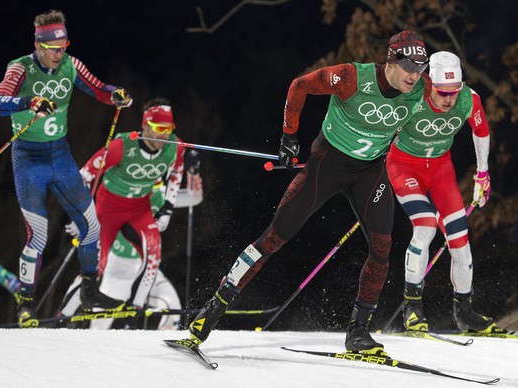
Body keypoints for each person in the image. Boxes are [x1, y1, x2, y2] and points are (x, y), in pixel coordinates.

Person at [178, 30, 432, 355]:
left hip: (370, 171)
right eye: (409, 66)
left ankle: (358, 332)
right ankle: (211, 311)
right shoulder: (352, 77)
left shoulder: (421, 89)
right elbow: (300, 86)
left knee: (382, 249)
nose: (415, 75)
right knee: (274, 237)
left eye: (421, 67)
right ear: (390, 60)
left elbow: (453, 106)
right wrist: (288, 137)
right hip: (327, 164)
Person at [0, 9, 131, 327]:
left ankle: (90, 294)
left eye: (63, 46)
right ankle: (26, 305)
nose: (59, 53)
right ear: (39, 45)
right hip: (29, 161)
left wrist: (115, 95)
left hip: (61, 157)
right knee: (38, 235)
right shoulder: (20, 69)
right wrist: (29, 102)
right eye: (54, 48)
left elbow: (98, 88)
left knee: (92, 226)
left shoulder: (71, 65)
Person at [386, 51, 494, 333]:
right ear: (429, 82)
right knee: (425, 227)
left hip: (440, 168)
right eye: (442, 92)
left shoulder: (468, 100)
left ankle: (465, 311)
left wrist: (482, 174)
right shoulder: (411, 96)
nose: (448, 99)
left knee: (460, 237)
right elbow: (380, 126)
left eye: (453, 92)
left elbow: (481, 131)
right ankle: (412, 308)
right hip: (404, 166)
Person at [61, 98, 186, 327]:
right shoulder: (122, 146)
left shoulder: (174, 148)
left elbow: (177, 173)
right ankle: (62, 318)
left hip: (139, 209)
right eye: (158, 129)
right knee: (96, 266)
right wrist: (78, 214)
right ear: (146, 125)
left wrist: (167, 207)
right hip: (108, 209)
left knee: (154, 253)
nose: (163, 136)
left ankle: (135, 309)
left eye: (168, 129)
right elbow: (84, 175)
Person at [59, 152, 203, 330]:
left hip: (147, 273)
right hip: (116, 274)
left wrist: (192, 173)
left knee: (173, 311)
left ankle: (157, 355)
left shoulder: (163, 197)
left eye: (157, 180)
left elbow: (193, 197)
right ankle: (63, 321)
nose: (151, 184)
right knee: (97, 328)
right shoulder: (120, 197)